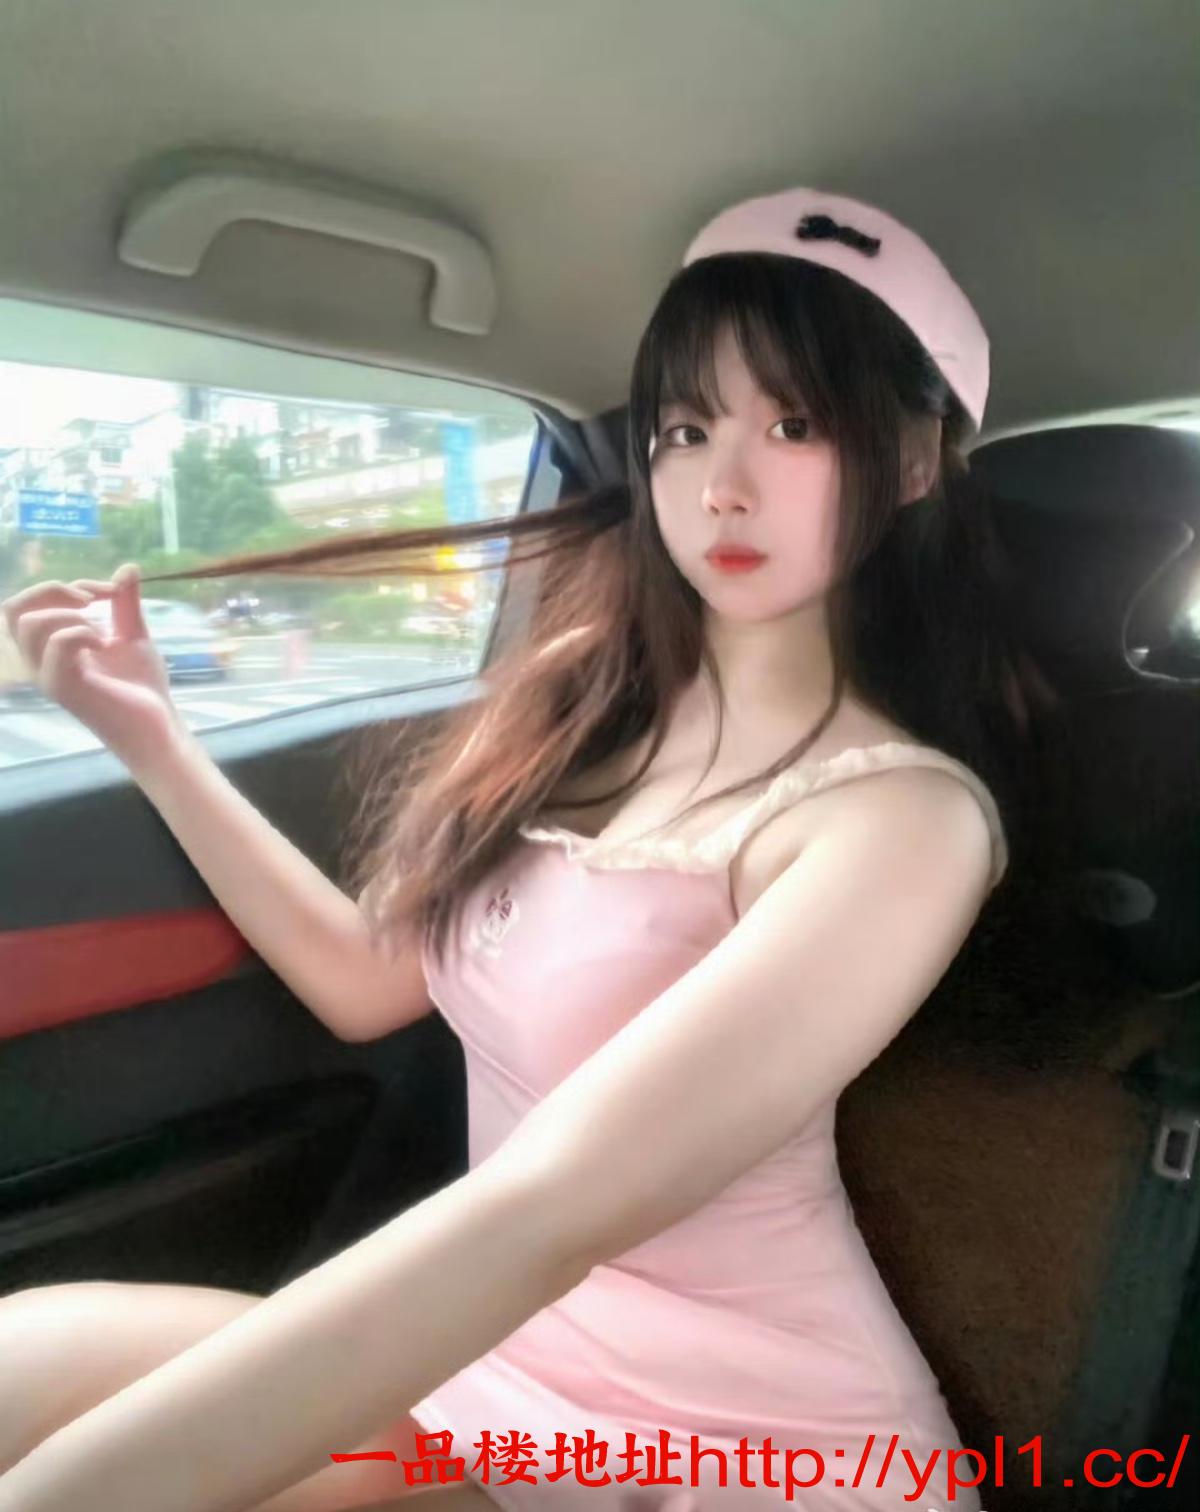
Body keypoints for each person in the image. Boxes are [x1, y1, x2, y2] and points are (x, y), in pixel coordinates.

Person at [0, 186, 1060, 1512]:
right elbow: (362, 982)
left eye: (796, 425)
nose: (721, 486)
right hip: (503, 1344)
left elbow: (552, 1206)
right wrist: (152, 737)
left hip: (740, 1432)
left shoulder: (903, 824)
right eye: (685, 430)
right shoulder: (585, 721)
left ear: (908, 464)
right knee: (19, 1355)